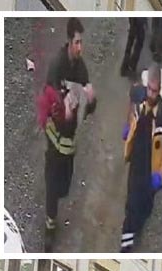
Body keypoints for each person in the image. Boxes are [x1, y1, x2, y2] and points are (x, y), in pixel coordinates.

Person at [41, 18, 95, 233]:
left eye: (82, 42)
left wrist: (91, 100)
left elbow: (88, 106)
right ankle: (50, 225)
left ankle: (54, 199)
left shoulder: (80, 68)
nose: (80, 47)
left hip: (69, 138)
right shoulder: (57, 66)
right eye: (77, 42)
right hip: (55, 133)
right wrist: (62, 107)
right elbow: (48, 98)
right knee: (53, 183)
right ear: (69, 42)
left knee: (64, 184)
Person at [119, 63, 162, 252]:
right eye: (149, 89)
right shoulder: (139, 94)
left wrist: (160, 174)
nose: (151, 94)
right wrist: (128, 124)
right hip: (136, 161)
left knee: (145, 206)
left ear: (159, 90)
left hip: (151, 167)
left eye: (155, 91)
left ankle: (138, 225)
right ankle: (126, 244)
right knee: (131, 204)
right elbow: (131, 100)